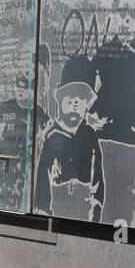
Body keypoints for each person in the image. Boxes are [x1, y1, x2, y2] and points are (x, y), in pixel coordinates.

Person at [34, 55, 105, 221]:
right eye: (70, 97)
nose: (75, 103)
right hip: (58, 205)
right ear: (59, 99)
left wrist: (96, 207)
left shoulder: (89, 135)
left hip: (83, 207)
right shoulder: (52, 138)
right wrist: (44, 211)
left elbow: (97, 174)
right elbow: (43, 178)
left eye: (81, 99)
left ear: (88, 103)